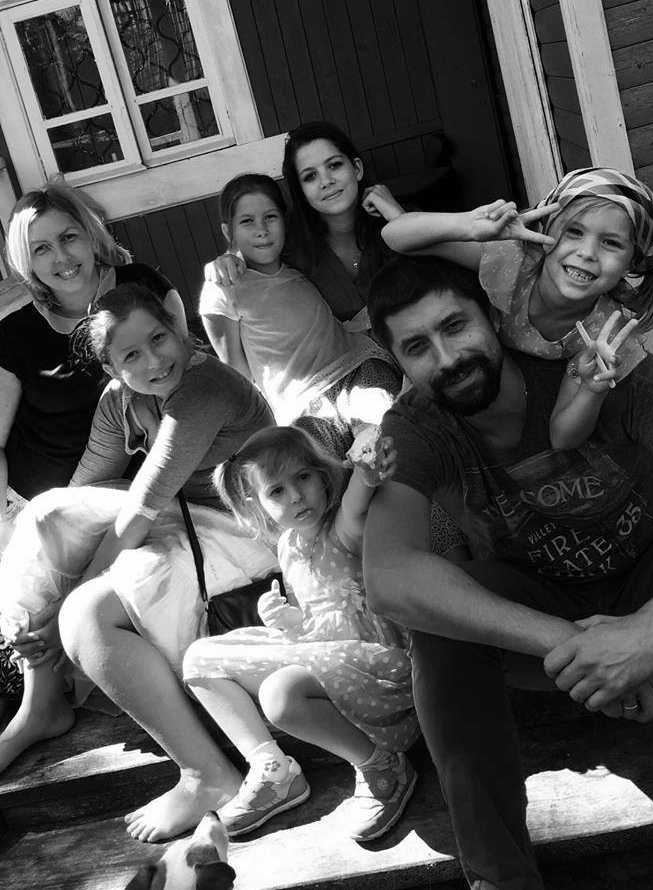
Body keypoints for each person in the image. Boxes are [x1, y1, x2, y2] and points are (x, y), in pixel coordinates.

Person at [363, 254, 653, 890]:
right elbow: (389, 577)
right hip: (547, 617)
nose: (447, 358)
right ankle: (500, 879)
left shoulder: (600, 364)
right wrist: (582, 646)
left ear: (493, 318)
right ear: (399, 364)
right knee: (438, 625)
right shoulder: (416, 428)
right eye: (417, 347)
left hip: (652, 578)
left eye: (456, 327)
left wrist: (647, 633)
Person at [0, 284, 278, 845]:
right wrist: (46, 604)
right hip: (189, 520)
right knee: (49, 513)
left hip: (250, 531)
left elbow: (139, 511)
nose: (154, 360)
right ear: (111, 367)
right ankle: (41, 700)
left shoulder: (203, 387)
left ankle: (206, 773)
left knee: (86, 612)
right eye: (131, 354)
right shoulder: (120, 399)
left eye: (159, 338)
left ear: (179, 331)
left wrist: (58, 614)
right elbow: (83, 491)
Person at [0, 180, 188, 714]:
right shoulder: (14, 334)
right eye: (41, 248)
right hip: (38, 499)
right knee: (24, 617)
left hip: (128, 488)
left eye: (69, 237)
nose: (61, 258)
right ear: (26, 261)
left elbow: (185, 375)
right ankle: (37, 701)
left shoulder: (141, 289)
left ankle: (58, 695)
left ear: (91, 234)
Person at [183, 425, 418, 842]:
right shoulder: (288, 546)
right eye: (276, 491)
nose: (295, 496)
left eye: (303, 477)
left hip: (379, 665)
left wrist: (366, 470)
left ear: (323, 476)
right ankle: (273, 771)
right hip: (325, 655)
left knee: (279, 695)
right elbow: (312, 621)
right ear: (256, 504)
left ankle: (382, 765)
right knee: (198, 659)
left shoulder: (343, 527)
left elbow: (358, 497)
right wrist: (286, 620)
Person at [381, 167, 653, 450]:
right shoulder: (511, 260)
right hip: (450, 366)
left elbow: (562, 438)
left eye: (611, 243)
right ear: (546, 229)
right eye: (574, 231)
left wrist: (591, 389)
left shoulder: (605, 333)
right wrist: (470, 226)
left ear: (631, 263)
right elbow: (395, 236)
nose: (587, 253)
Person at [200, 173, 401, 438]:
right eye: (247, 221)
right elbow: (237, 372)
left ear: (285, 221)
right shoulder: (224, 287)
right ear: (229, 232)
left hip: (356, 367)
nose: (261, 230)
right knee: (320, 458)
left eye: (270, 217)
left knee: (383, 432)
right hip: (301, 402)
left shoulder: (299, 262)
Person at [206, 121, 405, 331]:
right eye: (310, 176)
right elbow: (254, 251)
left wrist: (400, 218)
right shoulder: (290, 242)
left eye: (334, 165)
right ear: (300, 190)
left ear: (357, 168)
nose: (326, 181)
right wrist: (229, 258)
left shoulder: (394, 219)